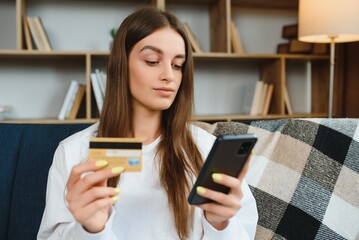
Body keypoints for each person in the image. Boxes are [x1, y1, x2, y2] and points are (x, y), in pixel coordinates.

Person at [37, 6, 258, 240]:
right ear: (121, 65)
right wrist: (91, 230)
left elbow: (245, 232)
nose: (169, 76)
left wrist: (219, 224)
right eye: (152, 61)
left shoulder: (206, 150)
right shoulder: (73, 152)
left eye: (177, 65)